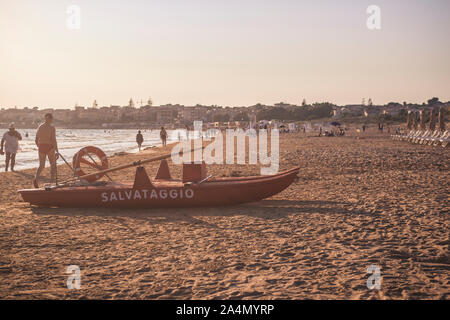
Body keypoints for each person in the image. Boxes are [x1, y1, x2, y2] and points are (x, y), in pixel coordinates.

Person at [33, 113, 58, 188]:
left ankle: (36, 178)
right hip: (49, 146)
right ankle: (51, 182)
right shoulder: (51, 127)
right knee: (53, 165)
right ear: (51, 119)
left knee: (41, 165)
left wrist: (39, 146)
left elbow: (36, 139)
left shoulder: (40, 127)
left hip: (41, 146)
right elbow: (53, 140)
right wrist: (57, 150)